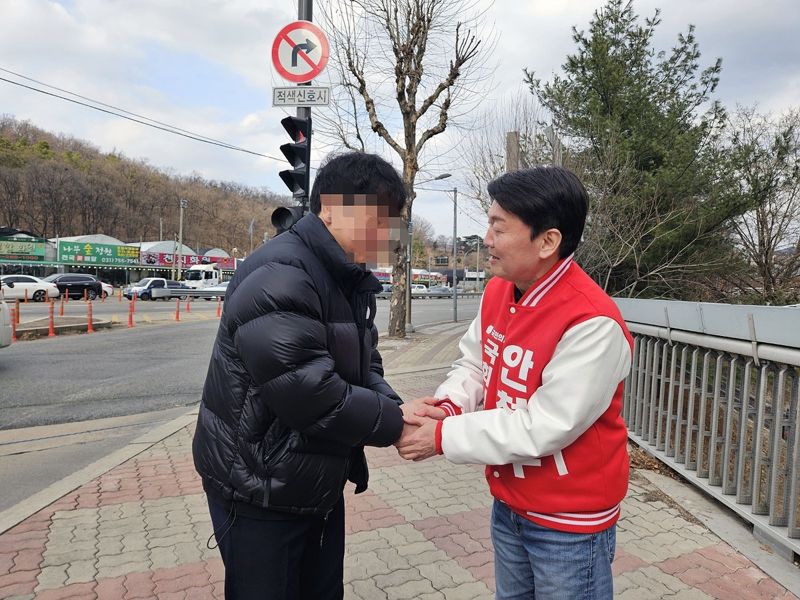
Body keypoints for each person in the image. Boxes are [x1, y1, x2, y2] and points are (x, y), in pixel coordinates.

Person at [398, 166, 633, 600]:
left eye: (498, 227)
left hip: (568, 521)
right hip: (510, 503)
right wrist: (446, 407)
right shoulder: (499, 291)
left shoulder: (592, 322)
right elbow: (475, 363)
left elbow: (546, 424)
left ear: (548, 241)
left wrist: (443, 436)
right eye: (488, 223)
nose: (486, 239)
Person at [192, 152, 415, 599]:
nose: (387, 232)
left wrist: (395, 406)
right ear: (330, 207)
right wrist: (399, 425)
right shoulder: (282, 273)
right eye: (378, 216)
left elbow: (364, 363)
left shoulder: (346, 274)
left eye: (394, 219)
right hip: (261, 486)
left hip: (312, 479)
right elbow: (309, 392)